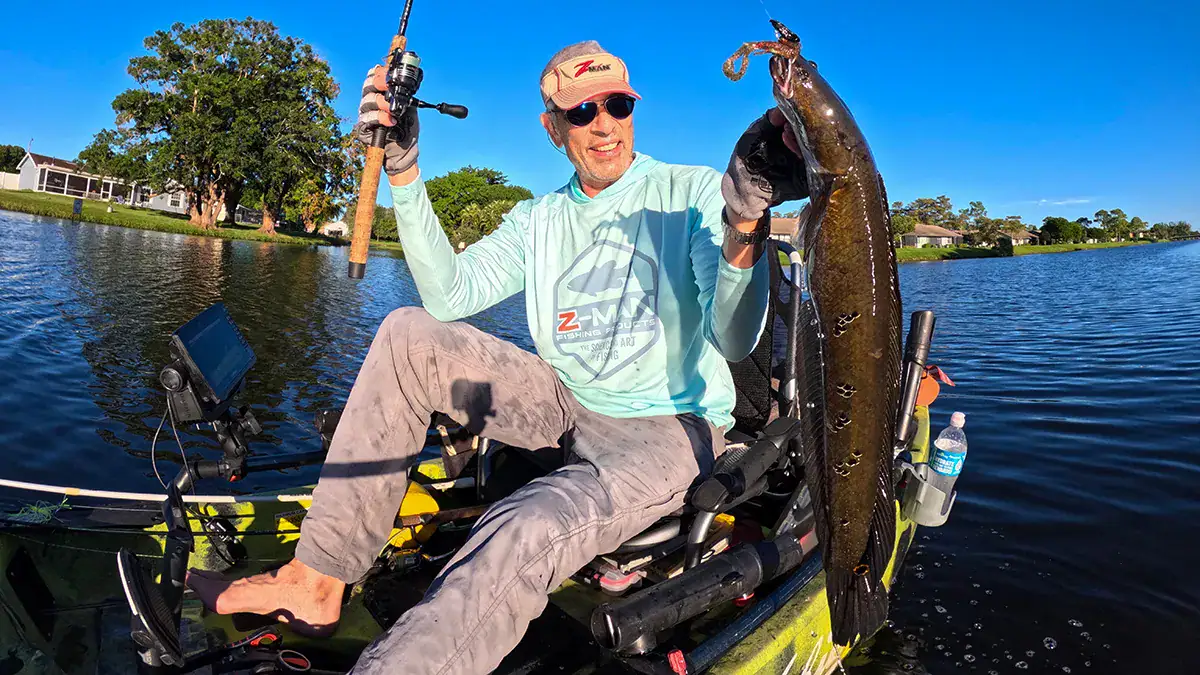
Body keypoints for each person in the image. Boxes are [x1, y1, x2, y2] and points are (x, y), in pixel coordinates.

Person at [187, 40, 806, 675]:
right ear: (552, 128)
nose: (604, 127)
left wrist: (744, 226)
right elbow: (449, 293)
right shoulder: (539, 219)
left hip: (669, 427)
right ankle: (316, 580)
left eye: (617, 106)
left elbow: (735, 340)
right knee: (409, 333)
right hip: (566, 401)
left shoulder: (694, 193)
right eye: (581, 113)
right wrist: (403, 172)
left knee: (525, 522)